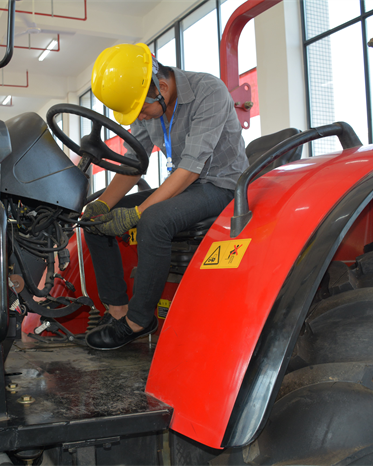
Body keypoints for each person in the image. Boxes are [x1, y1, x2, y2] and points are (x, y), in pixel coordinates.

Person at [82, 43, 249, 350]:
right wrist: (104, 204)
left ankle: (139, 320)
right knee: (94, 220)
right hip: (185, 184)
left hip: (222, 186)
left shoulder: (208, 91)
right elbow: (134, 163)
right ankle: (118, 312)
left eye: (143, 111)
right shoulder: (149, 105)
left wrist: (137, 213)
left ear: (162, 87)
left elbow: (191, 168)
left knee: (154, 220)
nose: (141, 117)